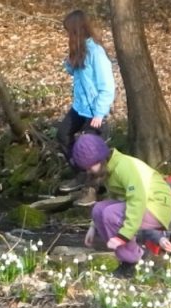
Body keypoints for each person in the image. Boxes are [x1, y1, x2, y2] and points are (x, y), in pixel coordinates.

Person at [73, 134, 171, 278]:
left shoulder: (123, 167)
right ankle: (133, 256)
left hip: (157, 206)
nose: (89, 171)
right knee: (98, 210)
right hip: (144, 204)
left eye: (90, 167)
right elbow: (114, 199)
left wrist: (123, 236)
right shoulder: (108, 170)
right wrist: (93, 227)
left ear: (101, 159)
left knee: (110, 214)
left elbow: (137, 201)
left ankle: (132, 261)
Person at [56, 10, 116, 194]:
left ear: (77, 31)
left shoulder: (96, 52)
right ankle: (81, 173)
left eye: (69, 32)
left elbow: (107, 86)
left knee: (90, 149)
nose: (67, 36)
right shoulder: (81, 50)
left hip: (95, 111)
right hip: (80, 107)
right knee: (63, 135)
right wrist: (69, 63)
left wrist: (99, 113)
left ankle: (93, 188)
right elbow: (77, 74)